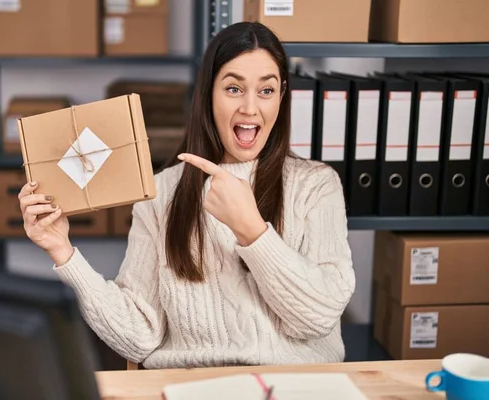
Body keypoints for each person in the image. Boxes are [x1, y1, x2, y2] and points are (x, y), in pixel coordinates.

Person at [18, 21, 355, 369]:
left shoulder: (316, 186)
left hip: (293, 386)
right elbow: (138, 336)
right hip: (191, 385)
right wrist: (63, 252)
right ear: (207, 94)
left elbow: (318, 319)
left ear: (282, 96)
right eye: (234, 89)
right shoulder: (162, 191)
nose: (251, 108)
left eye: (266, 91)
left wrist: (252, 231)